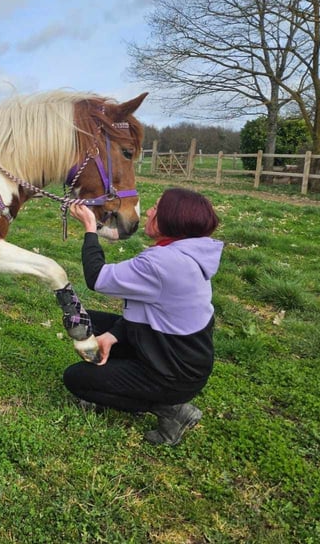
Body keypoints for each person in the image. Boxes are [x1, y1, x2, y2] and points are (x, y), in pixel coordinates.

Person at [64, 188, 223, 445]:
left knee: (76, 379)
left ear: (171, 220)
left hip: (172, 373)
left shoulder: (163, 263)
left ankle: (171, 409)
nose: (148, 212)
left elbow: (97, 278)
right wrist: (113, 335)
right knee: (87, 321)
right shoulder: (188, 253)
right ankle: (111, 382)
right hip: (173, 351)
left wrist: (90, 228)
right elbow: (145, 309)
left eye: (156, 208)